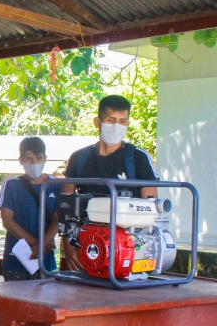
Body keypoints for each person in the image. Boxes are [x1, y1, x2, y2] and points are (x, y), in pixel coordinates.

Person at [61, 95, 159, 270]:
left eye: (122, 121)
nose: (116, 126)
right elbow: (65, 206)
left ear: (128, 123)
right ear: (97, 122)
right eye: (111, 120)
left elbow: (152, 209)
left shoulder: (138, 158)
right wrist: (68, 246)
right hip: (86, 247)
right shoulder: (79, 158)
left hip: (126, 248)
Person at [0, 137, 60, 281]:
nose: (34, 163)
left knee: (44, 302)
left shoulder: (56, 184)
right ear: (21, 160)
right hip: (16, 261)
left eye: (38, 158)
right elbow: (7, 221)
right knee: (15, 303)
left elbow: (58, 219)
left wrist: (41, 245)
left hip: (46, 261)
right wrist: (37, 244)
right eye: (29, 159)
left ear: (45, 158)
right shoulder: (11, 185)